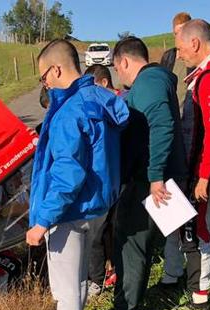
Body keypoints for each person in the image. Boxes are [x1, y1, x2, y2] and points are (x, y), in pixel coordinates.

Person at [27, 39, 129, 310]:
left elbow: (67, 174)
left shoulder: (68, 112)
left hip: (68, 213)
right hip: (98, 207)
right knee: (81, 279)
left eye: (44, 77)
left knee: (65, 290)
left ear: (55, 70)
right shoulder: (101, 98)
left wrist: (42, 221)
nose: (45, 83)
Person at [89, 36, 188, 310]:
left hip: (149, 180)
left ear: (123, 62)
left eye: (118, 70)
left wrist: (156, 175)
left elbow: (162, 123)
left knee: (130, 243)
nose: (120, 76)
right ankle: (188, 286)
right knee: (151, 241)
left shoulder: (148, 83)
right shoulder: (154, 82)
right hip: (150, 176)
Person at [161, 19, 210, 310]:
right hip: (197, 166)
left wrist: (204, 176)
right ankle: (180, 278)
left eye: (180, 48)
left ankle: (200, 298)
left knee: (199, 230)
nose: (178, 55)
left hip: (204, 168)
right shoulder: (206, 73)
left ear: (194, 43)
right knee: (188, 228)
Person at [83, 63, 121, 296]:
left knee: (97, 233)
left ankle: (96, 280)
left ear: (104, 83)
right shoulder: (116, 105)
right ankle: (110, 268)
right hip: (111, 180)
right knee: (107, 230)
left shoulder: (113, 107)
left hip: (106, 181)